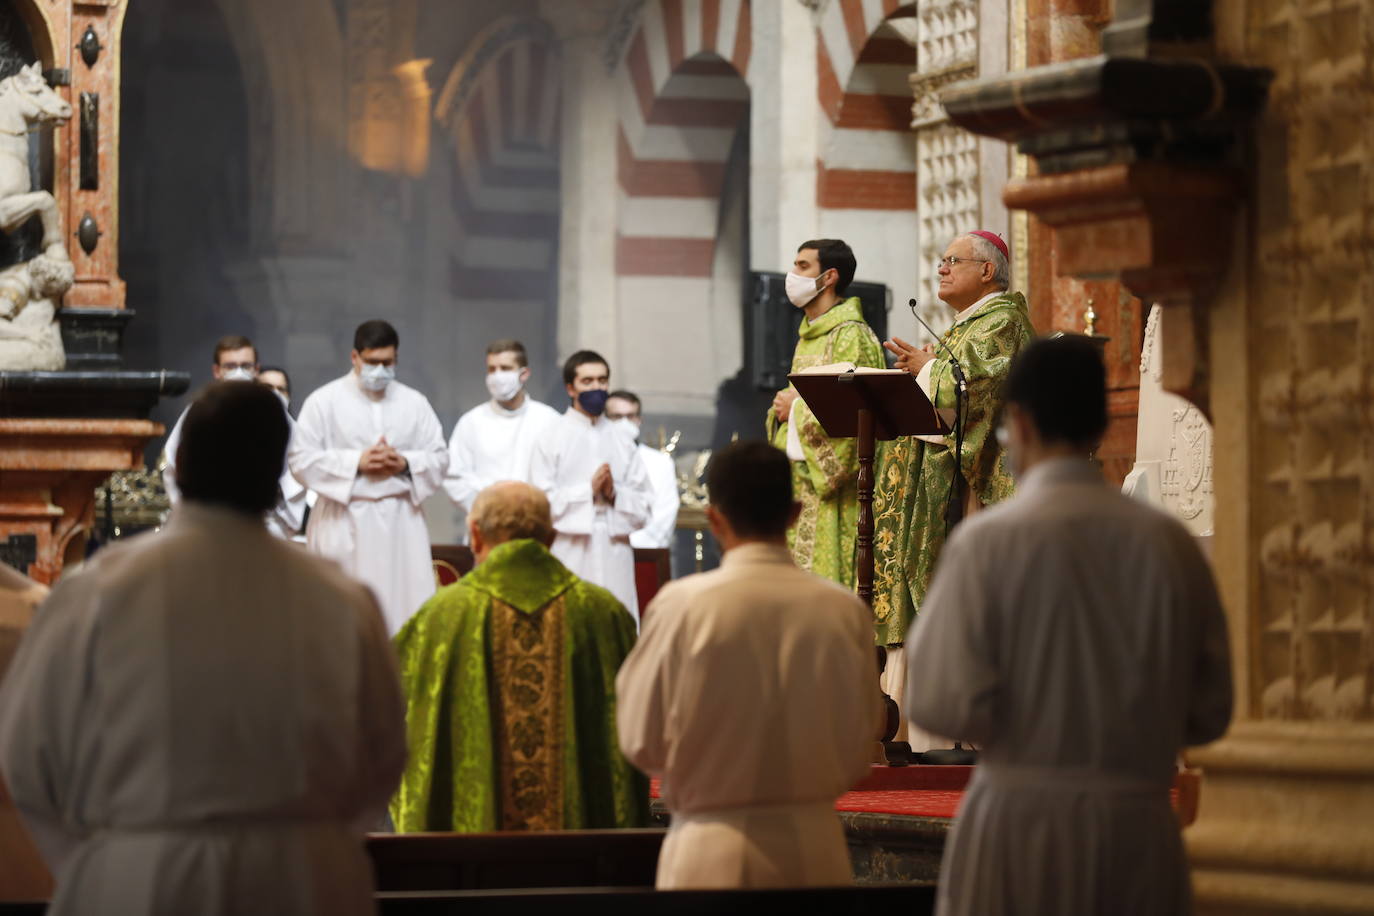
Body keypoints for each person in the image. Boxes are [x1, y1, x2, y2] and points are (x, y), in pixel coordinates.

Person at [0, 382, 406, 916]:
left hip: (141, 878)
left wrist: (106, 857)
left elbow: (29, 759)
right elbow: (381, 763)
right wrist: (306, 839)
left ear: (181, 462)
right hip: (303, 880)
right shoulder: (342, 600)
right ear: (277, 472)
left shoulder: (97, 591)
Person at [904, 336, 1233, 916]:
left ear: (1019, 422)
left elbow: (936, 703)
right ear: (1101, 427)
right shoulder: (1168, 545)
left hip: (1019, 819)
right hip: (1139, 826)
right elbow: (1212, 710)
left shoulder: (987, 542)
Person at [617, 441, 880, 889]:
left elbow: (639, 737)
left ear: (714, 519)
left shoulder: (682, 606)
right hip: (815, 850)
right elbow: (863, 739)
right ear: (795, 513)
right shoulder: (844, 610)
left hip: (709, 849)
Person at [390, 481, 647, 833]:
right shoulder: (603, 615)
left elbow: (388, 718)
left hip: (467, 865)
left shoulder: (441, 618)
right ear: (552, 537)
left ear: (476, 536)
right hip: (584, 865)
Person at [872, 230, 1034, 748]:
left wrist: (929, 370)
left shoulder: (1003, 320)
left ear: (988, 271)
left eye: (953, 261)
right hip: (944, 488)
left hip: (976, 492)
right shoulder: (967, 326)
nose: (941, 269)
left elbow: (980, 388)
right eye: (940, 262)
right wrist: (930, 366)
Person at [290, 320, 449, 634]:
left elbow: (440, 458)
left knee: (403, 611)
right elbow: (300, 459)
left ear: (397, 359)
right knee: (341, 616)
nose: (380, 370)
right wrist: (356, 463)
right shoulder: (324, 401)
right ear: (354, 358)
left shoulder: (414, 403)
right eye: (372, 362)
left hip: (400, 522)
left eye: (387, 363)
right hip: (344, 518)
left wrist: (403, 462)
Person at [765, 238, 885, 589]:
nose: (793, 274)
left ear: (830, 276)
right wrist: (783, 409)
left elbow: (856, 417)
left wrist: (795, 408)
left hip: (834, 497)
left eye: (803, 266)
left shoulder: (851, 336)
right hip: (799, 484)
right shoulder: (809, 336)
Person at [529, 350, 652, 617]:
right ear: (570, 388)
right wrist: (588, 490)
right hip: (569, 550)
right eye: (588, 381)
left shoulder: (623, 440)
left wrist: (614, 494)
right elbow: (539, 504)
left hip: (614, 550)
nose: (597, 388)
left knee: (617, 626)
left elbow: (645, 504)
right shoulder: (551, 437)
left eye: (602, 380)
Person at [161, 337, 307, 540]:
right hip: (209, 523)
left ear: (256, 370)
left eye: (245, 366)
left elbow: (298, 460)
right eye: (230, 366)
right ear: (217, 371)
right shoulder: (198, 410)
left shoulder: (275, 410)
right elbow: (173, 464)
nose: (239, 372)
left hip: (265, 523)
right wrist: (190, 515)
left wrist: (284, 516)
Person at [442, 339, 560, 537]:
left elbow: (560, 477)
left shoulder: (549, 421)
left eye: (505, 368)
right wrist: (493, 510)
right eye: (491, 369)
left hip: (534, 527)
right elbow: (455, 478)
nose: (497, 376)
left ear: (524, 374)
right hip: (486, 527)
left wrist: (528, 510)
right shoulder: (471, 422)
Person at [606, 390, 679, 550]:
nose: (624, 423)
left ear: (639, 420)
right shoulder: (597, 458)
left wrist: (632, 544)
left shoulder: (660, 462)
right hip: (605, 550)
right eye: (617, 417)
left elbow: (665, 513)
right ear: (605, 420)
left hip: (647, 553)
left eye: (630, 416)